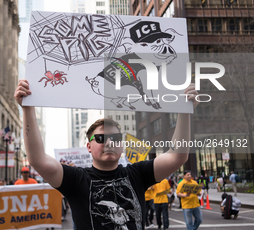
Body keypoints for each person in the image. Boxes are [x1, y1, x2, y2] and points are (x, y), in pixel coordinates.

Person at [14, 80, 198, 230]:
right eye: (101, 138)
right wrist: (27, 109)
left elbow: (177, 156)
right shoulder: (76, 179)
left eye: (115, 138)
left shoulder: (137, 174)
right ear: (88, 146)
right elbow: (37, 160)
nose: (109, 143)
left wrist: (184, 111)